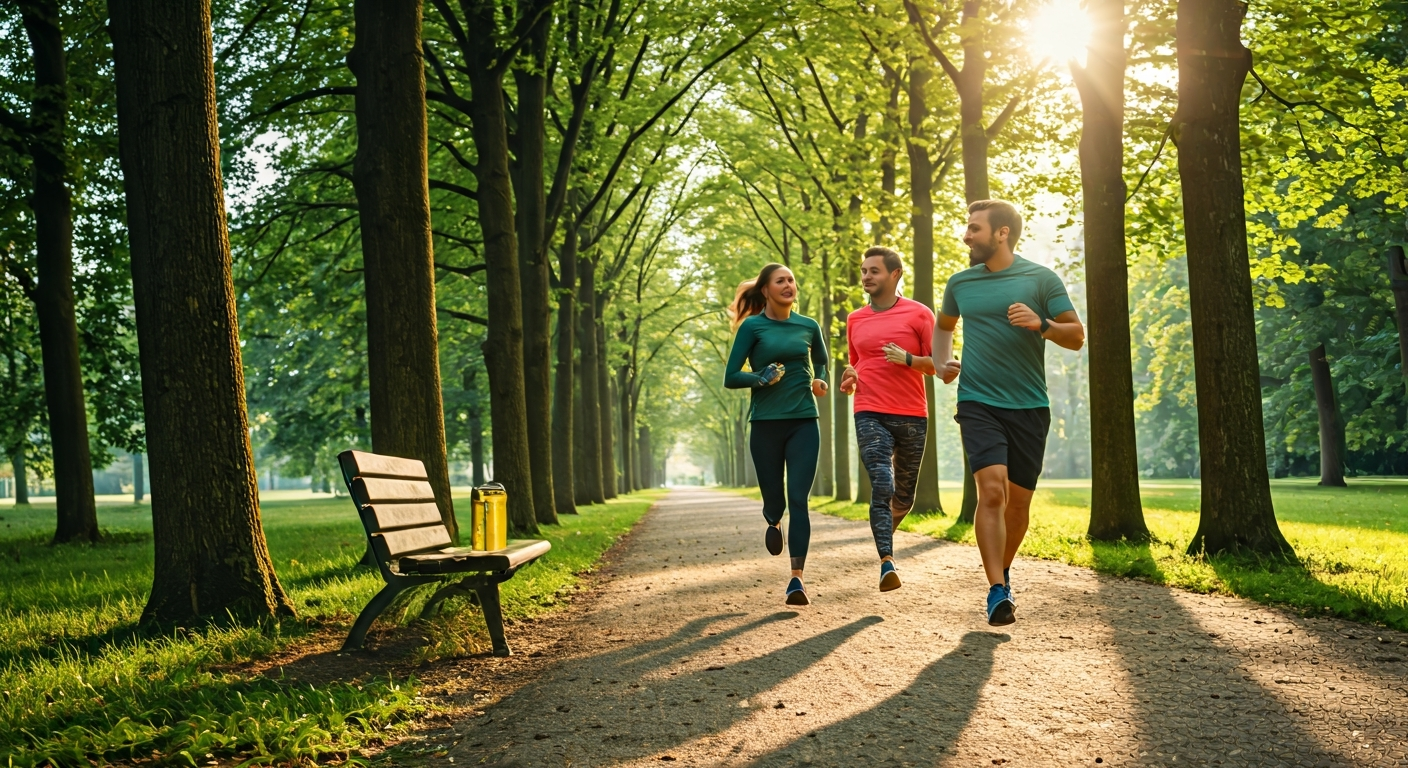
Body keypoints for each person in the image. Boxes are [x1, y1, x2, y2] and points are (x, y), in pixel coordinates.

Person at [932, 200, 1084, 626]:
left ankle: (1003, 570)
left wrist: (1042, 325)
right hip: (977, 401)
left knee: (1017, 505)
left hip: (1029, 406)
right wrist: (941, 364)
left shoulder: (1040, 279)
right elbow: (943, 326)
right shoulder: (960, 283)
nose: (966, 235)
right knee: (992, 491)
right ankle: (997, 589)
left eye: (974, 228)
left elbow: (1076, 336)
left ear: (1002, 233)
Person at [724, 263, 829, 606]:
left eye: (791, 280)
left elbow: (822, 361)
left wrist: (820, 379)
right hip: (765, 424)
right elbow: (731, 376)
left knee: (799, 499)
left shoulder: (808, 325)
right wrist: (759, 378)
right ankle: (772, 519)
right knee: (775, 499)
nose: (788, 285)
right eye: (780, 281)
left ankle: (797, 579)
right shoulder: (752, 327)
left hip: (804, 421)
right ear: (766, 290)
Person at [838, 246, 935, 593]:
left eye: (874, 271)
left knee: (904, 497)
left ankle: (882, 533)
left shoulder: (920, 314)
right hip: (869, 410)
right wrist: (849, 377)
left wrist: (908, 359)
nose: (866, 276)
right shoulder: (855, 318)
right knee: (882, 482)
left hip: (911, 413)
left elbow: (939, 365)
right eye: (864, 271)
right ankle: (887, 562)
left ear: (895, 274)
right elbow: (856, 363)